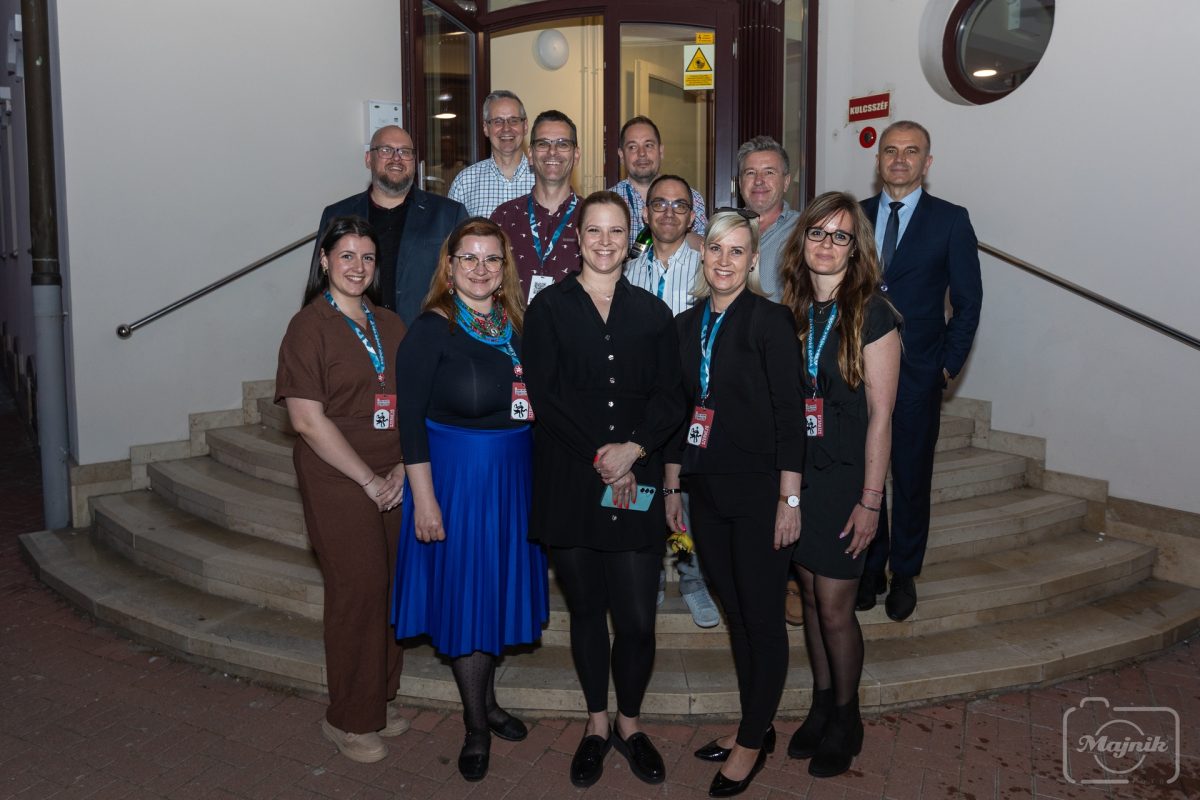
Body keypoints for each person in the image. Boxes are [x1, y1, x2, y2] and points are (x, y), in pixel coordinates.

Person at [522, 191, 684, 789]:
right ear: (578, 236)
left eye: (617, 230)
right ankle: (596, 724)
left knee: (638, 620)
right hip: (572, 481)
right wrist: (603, 455)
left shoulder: (653, 312)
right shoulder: (548, 309)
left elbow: (672, 396)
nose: (605, 241)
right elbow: (545, 396)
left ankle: (629, 724)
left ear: (630, 236)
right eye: (595, 230)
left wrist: (633, 450)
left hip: (637, 480)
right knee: (587, 612)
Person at [391, 217, 549, 782]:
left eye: (491, 259)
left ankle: (488, 703)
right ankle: (476, 726)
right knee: (468, 602)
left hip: (512, 480)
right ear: (449, 266)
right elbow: (410, 423)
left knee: (493, 596)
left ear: (504, 268)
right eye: (469, 259)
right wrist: (425, 500)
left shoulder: (516, 324)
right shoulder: (431, 329)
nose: (480, 269)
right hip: (457, 483)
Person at [667, 209, 806, 798]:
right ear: (703, 255)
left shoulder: (771, 321)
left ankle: (751, 741)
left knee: (762, 619)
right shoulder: (685, 325)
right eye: (716, 248)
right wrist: (671, 487)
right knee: (737, 616)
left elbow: (790, 416)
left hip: (759, 494)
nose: (724, 260)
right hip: (705, 491)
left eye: (737, 251)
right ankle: (757, 723)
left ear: (752, 260)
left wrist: (789, 499)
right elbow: (678, 414)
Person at [275, 216, 408, 763]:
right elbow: (307, 420)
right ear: (325, 261)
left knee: (392, 586)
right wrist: (369, 479)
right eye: (346, 255)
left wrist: (402, 467)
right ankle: (349, 719)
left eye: (367, 257)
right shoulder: (308, 326)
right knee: (360, 589)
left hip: (393, 471)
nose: (357, 267)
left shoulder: (391, 323)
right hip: (337, 475)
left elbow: (415, 400)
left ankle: (379, 698)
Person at [779, 192, 901, 778]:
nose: (826, 245)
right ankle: (822, 704)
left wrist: (871, 502)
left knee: (834, 608)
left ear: (857, 248)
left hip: (849, 478)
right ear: (802, 240)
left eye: (840, 236)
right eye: (817, 233)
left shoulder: (873, 314)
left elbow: (882, 417)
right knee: (807, 594)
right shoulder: (793, 308)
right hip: (802, 474)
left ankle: (847, 718)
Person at [857, 120, 983, 621]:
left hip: (918, 371)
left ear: (926, 163)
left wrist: (948, 365)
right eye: (891, 150)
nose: (899, 159)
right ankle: (870, 566)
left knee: (910, 476)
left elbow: (968, 302)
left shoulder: (951, 220)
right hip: (858, 368)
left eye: (911, 152)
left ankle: (904, 572)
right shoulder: (855, 215)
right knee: (864, 472)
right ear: (878, 160)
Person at [624, 173, 719, 629]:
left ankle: (693, 578)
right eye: (659, 204)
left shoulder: (706, 265)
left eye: (679, 205)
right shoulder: (627, 268)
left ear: (692, 215)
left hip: (691, 397)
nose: (668, 212)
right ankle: (652, 576)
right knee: (644, 487)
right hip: (639, 401)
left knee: (687, 493)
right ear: (645, 213)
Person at [316, 125, 468, 325]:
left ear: (414, 161)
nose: (396, 158)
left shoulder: (448, 214)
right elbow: (320, 283)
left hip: (426, 334)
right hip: (352, 334)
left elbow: (466, 282)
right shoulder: (337, 214)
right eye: (386, 150)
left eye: (405, 152)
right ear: (368, 159)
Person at [491, 110, 582, 305]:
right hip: (515, 324)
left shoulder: (591, 217)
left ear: (576, 155)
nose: (552, 151)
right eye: (543, 144)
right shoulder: (503, 217)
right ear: (531, 155)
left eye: (562, 144)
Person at [608, 115, 707, 250]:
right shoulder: (608, 201)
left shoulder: (692, 198)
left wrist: (673, 229)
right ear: (621, 155)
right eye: (632, 147)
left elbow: (705, 248)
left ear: (661, 151)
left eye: (648, 145)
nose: (642, 153)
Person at [448, 90, 534, 217]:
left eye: (513, 120)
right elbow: (451, 229)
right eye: (498, 121)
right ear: (485, 128)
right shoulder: (464, 183)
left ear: (525, 126)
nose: (506, 128)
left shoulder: (543, 178)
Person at [736, 136, 799, 302]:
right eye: (750, 173)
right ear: (740, 183)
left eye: (769, 172)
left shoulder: (804, 230)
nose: (758, 181)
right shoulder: (723, 228)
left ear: (786, 182)